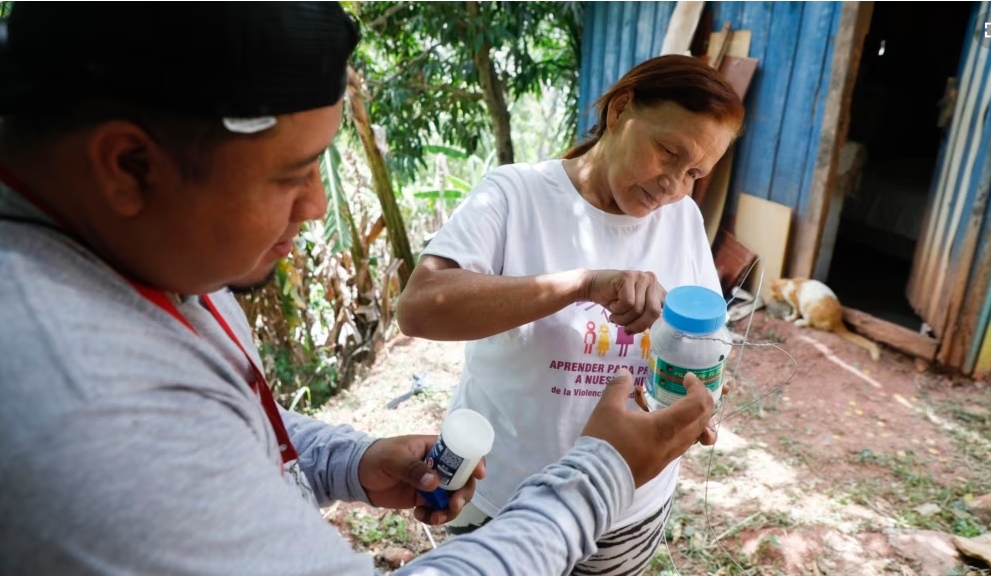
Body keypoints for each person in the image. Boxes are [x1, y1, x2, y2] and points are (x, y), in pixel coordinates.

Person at [0, 4, 719, 575]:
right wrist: (603, 471)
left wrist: (337, 460)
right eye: (291, 174)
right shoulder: (84, 410)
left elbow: (235, 417)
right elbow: (424, 307)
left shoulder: (128, 253)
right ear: (128, 166)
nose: (316, 205)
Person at [397, 54, 745, 575]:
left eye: (695, 172)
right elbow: (419, 309)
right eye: (668, 152)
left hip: (627, 506)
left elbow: (692, 341)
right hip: (506, 506)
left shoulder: (683, 217)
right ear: (620, 110)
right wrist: (582, 284)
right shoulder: (516, 195)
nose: (673, 185)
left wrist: (698, 396)